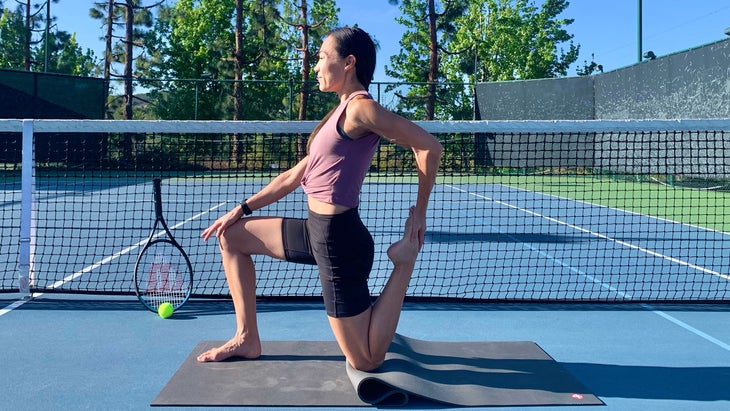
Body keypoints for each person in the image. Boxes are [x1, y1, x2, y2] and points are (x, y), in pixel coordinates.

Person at [197, 26, 443, 372]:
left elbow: (429, 146)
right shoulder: (338, 112)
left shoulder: (362, 109)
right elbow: (293, 176)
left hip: (338, 242)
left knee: (366, 360)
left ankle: (403, 263)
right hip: (316, 232)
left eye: (323, 57)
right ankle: (246, 338)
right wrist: (242, 209)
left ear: (349, 63)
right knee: (232, 238)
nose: (315, 67)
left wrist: (419, 215)